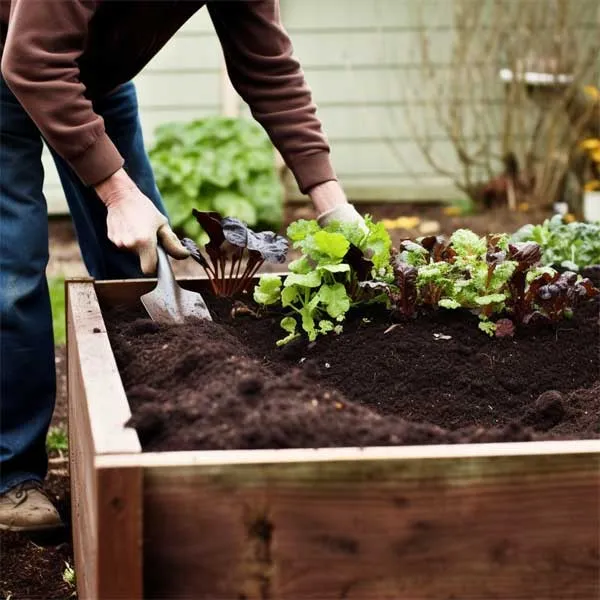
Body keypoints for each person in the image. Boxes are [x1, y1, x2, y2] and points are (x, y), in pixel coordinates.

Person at [0, 0, 365, 531]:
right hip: (11, 61)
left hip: (95, 78)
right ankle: (11, 475)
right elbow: (31, 62)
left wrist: (331, 200)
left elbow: (264, 60)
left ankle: (142, 434)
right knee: (11, 275)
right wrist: (116, 190)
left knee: (142, 263)